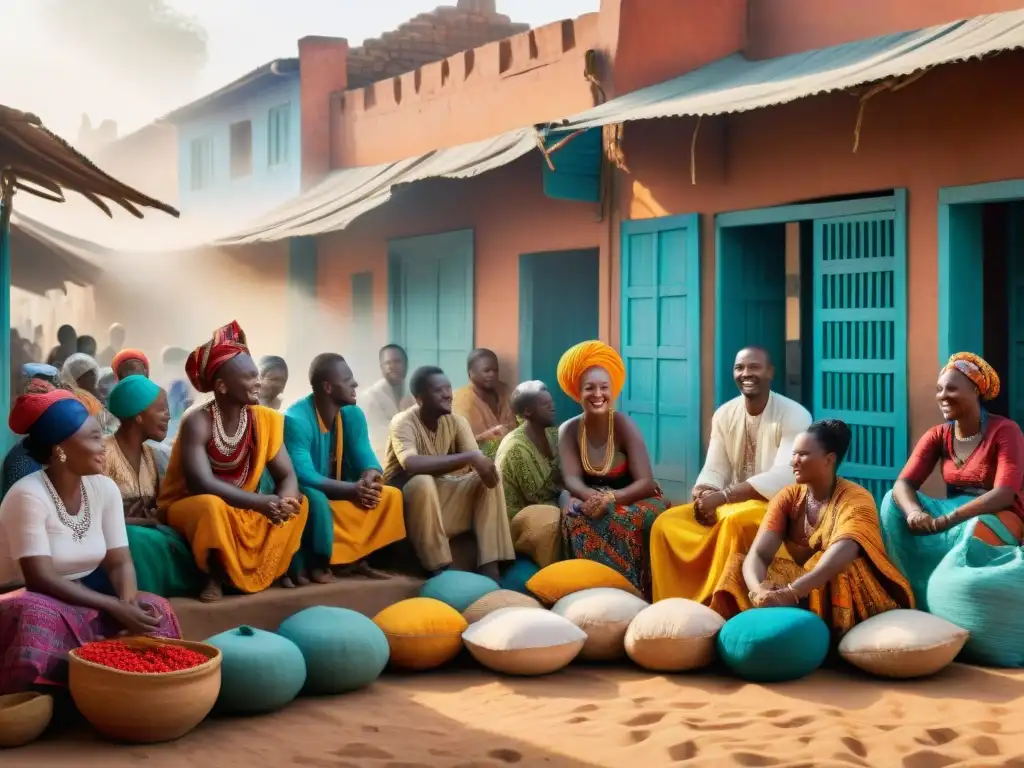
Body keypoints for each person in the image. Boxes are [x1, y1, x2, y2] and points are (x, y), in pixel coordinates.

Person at [0, 390, 181, 695]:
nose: (104, 448)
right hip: (21, 598)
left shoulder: (104, 489)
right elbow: (38, 578)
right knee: (38, 615)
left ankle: (140, 690)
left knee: (152, 609)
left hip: (79, 597)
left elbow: (120, 561)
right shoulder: (27, 494)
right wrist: (113, 606)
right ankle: (51, 698)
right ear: (61, 450)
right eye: (95, 438)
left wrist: (127, 607)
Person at [710, 420, 914, 636]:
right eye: (794, 454)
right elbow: (759, 554)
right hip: (803, 586)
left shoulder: (856, 498)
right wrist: (758, 590)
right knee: (739, 565)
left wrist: (790, 593)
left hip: (845, 587)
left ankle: (824, 636)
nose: (794, 462)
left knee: (828, 564)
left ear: (829, 460)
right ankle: (746, 630)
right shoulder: (788, 497)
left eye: (803, 454)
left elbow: (840, 555)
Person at [158, 321, 308, 603]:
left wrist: (285, 500)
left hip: (245, 505)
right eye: (250, 377)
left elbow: (286, 476)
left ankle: (267, 571)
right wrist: (261, 503)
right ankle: (214, 576)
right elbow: (202, 484)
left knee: (301, 502)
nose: (259, 383)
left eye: (257, 376)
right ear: (222, 386)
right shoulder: (197, 420)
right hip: (193, 504)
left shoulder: (266, 420)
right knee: (212, 507)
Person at [649, 346, 812, 603]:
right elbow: (716, 466)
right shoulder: (724, 414)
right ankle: (673, 601)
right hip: (731, 504)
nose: (746, 373)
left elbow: (785, 476)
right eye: (740, 368)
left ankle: (719, 602)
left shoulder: (794, 414)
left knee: (734, 523)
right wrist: (704, 490)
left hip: (777, 507)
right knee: (665, 523)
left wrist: (724, 496)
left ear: (770, 372)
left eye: (754, 367)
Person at [881, 353, 1024, 607]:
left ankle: (957, 603)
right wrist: (915, 512)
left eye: (952, 388)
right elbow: (903, 484)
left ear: (975, 390)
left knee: (974, 527)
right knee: (892, 503)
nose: (942, 395)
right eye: (939, 389)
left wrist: (947, 520)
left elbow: (1004, 493)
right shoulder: (938, 435)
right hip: (955, 509)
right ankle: (912, 593)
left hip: (1000, 513)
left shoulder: (1005, 430)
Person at [556, 341, 669, 597]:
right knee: (576, 519)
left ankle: (632, 591)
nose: (598, 394)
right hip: (593, 497)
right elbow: (572, 479)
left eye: (604, 387)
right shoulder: (569, 430)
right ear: (578, 391)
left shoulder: (623, 425)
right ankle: (590, 590)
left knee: (620, 519)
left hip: (635, 497)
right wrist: (590, 499)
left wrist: (610, 498)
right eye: (590, 388)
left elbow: (646, 483)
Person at [384, 365, 514, 579]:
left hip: (440, 504)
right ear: (420, 399)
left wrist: (479, 461)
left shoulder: (455, 422)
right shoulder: (402, 422)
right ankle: (439, 566)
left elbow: (477, 460)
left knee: (487, 478)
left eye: (448, 388)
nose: (448, 394)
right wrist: (470, 457)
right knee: (422, 482)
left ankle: (491, 564)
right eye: (438, 390)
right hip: (405, 507)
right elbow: (411, 464)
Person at [284, 353, 405, 583]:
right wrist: (353, 490)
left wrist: (370, 477)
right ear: (328, 387)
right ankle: (328, 562)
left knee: (390, 496)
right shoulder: (296, 418)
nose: (355, 384)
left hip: (347, 490)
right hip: (313, 492)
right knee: (315, 500)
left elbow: (365, 454)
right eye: (347, 379)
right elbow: (304, 475)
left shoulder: (353, 413)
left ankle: (358, 559)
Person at [104, 375, 202, 598]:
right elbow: (93, 515)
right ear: (138, 416)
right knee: (133, 539)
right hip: (117, 539)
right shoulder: (101, 453)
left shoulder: (152, 456)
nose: (168, 416)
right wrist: (147, 521)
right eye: (161, 410)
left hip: (150, 534)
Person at [495, 380, 564, 567]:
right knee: (562, 517)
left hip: (547, 507)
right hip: (519, 522)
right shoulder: (515, 448)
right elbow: (540, 495)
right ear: (527, 412)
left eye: (551, 402)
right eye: (545, 404)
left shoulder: (552, 434)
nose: (552, 407)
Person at [453, 348, 518, 459]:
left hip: (508, 457)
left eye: (495, 370)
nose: (492, 374)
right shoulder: (462, 400)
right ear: (471, 373)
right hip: (474, 462)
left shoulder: (505, 391)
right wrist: (487, 436)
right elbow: (460, 443)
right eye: (486, 371)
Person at [358, 344, 415, 463]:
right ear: (381, 367)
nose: (391, 367)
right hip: (380, 463)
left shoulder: (412, 395)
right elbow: (380, 439)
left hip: (409, 460)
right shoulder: (371, 398)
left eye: (397, 362)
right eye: (387, 363)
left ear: (406, 365)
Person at [60, 353, 104, 417]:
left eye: (92, 373)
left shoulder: (100, 394)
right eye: (86, 375)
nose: (92, 377)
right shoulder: (75, 402)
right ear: (74, 380)